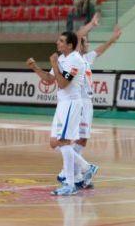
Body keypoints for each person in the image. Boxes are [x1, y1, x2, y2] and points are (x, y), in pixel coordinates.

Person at [26, 31, 97, 195]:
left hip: (72, 103)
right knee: (54, 142)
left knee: (64, 142)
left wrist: (54, 63)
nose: (57, 43)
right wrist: (35, 68)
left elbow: (63, 83)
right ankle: (86, 167)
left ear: (70, 45)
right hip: (62, 104)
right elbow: (50, 79)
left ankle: (70, 185)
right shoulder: (62, 59)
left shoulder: (76, 60)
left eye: (61, 41)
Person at [57, 13, 122, 189]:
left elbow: (101, 50)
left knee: (82, 140)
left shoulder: (86, 59)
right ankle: (70, 172)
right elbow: (77, 35)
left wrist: (112, 39)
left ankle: (75, 173)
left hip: (87, 104)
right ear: (79, 44)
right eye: (85, 41)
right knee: (69, 140)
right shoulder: (74, 58)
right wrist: (92, 24)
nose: (87, 43)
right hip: (78, 102)